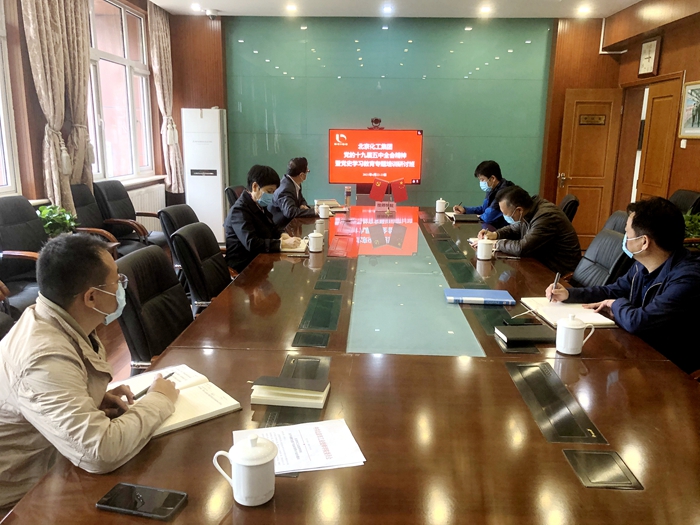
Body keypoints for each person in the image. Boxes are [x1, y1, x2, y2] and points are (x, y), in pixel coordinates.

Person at [0, 234, 179, 512]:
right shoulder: (43, 358)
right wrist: (159, 399)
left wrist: (91, 397)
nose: (122, 286)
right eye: (117, 280)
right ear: (92, 297)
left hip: (54, 464)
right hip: (21, 499)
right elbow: (100, 452)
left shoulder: (57, 318)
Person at [547, 197, 700, 374]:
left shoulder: (688, 278)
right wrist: (569, 294)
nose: (625, 238)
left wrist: (616, 304)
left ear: (644, 242)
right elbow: (613, 290)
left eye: (627, 233)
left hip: (670, 369)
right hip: (638, 351)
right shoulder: (641, 264)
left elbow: (639, 321)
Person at [476, 185, 581, 273]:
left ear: (519, 210)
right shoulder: (530, 210)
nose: (505, 216)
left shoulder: (545, 216)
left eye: (506, 214)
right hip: (541, 261)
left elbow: (522, 248)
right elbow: (514, 229)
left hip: (557, 269)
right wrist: (495, 234)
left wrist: (495, 244)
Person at [224, 164, 302, 273]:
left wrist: (283, 235)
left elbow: (272, 227)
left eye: (274, 192)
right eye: (269, 191)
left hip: (261, 258)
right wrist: (283, 244)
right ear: (255, 186)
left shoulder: (259, 205)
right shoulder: (239, 211)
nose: (271, 196)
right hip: (245, 267)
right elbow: (252, 243)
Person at [452, 160, 514, 229]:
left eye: (482, 179)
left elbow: (488, 216)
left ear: (493, 178)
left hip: (505, 230)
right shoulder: (491, 188)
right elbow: (484, 209)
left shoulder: (505, 191)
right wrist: (465, 210)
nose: (481, 183)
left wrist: (476, 217)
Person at [268, 157, 317, 228]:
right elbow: (290, 212)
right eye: (307, 171)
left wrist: (302, 205)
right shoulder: (285, 189)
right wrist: (314, 211)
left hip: (291, 225)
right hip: (280, 227)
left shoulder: (294, 182)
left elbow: (301, 199)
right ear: (302, 175)